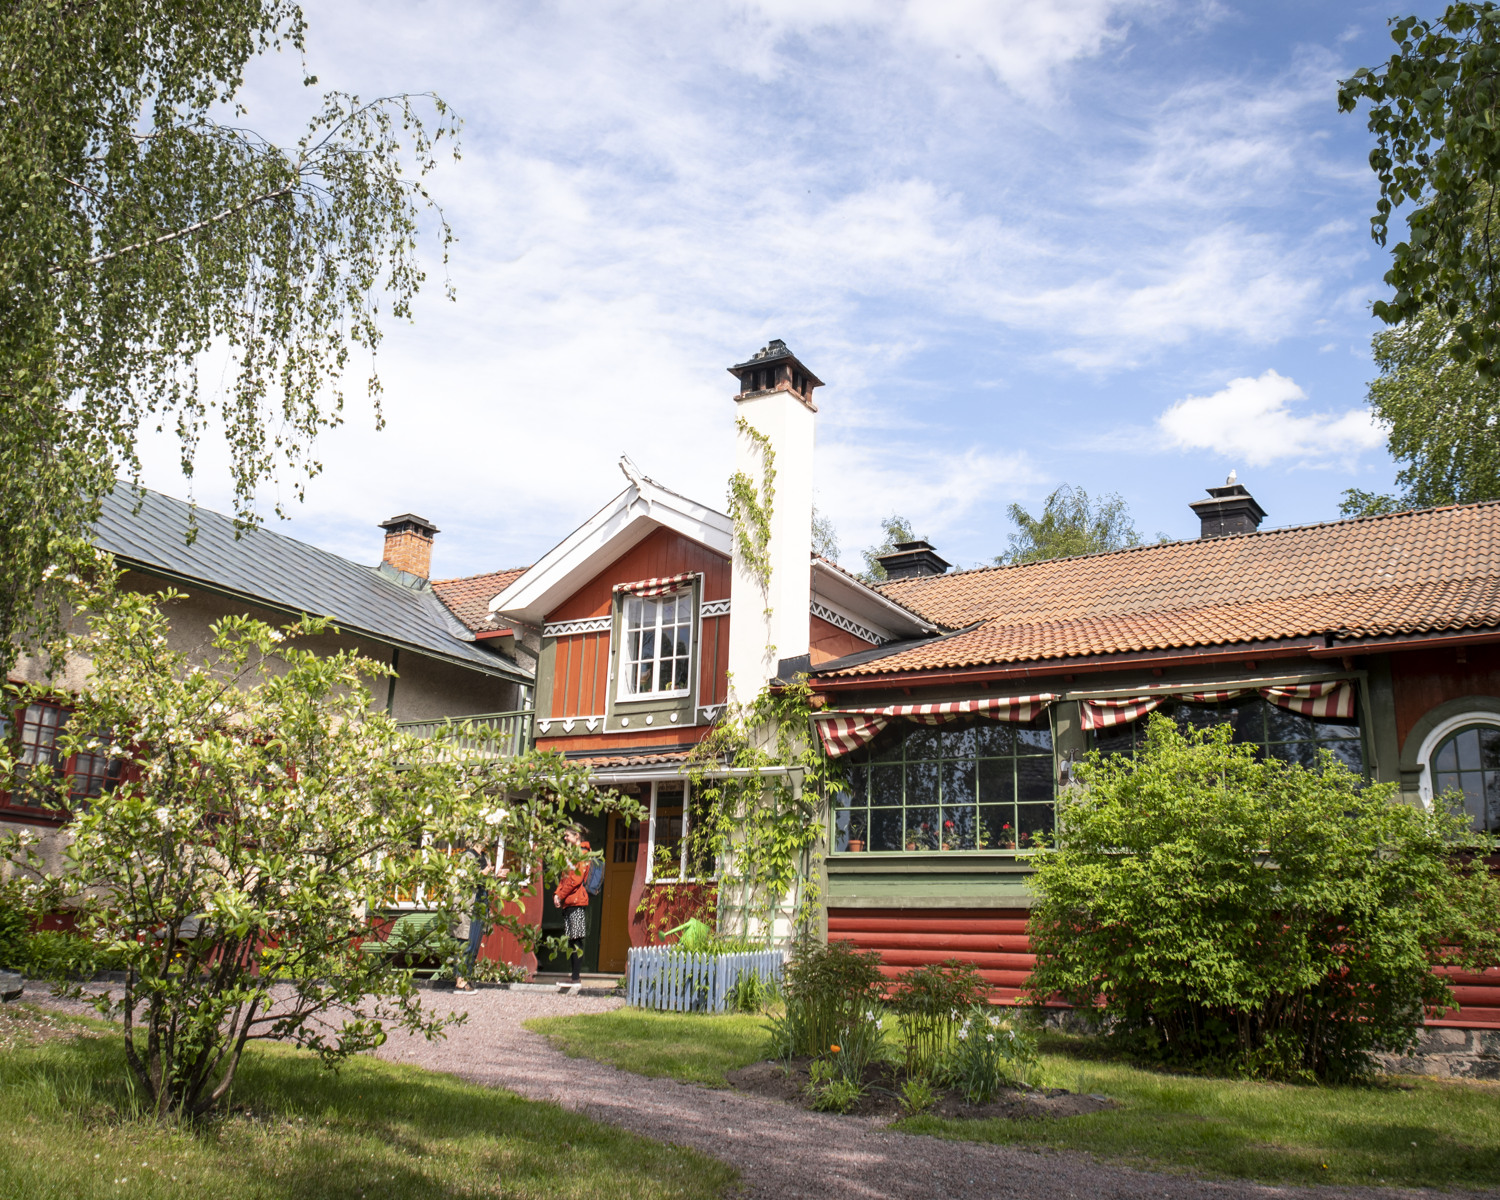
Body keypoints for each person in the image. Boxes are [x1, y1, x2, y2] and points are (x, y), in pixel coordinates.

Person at [453, 846, 497, 993]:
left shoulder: (485, 857)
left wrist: (496, 876)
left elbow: (486, 882)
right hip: (468, 904)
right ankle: (460, 982)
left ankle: (466, 978)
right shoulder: (467, 856)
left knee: (474, 942)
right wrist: (481, 874)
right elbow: (464, 879)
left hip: (480, 903)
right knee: (465, 942)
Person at [553, 826, 592, 986]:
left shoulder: (582, 854)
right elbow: (564, 877)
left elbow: (576, 879)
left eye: (567, 835)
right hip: (569, 902)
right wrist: (557, 894)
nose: (565, 838)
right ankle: (574, 977)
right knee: (572, 939)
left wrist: (560, 895)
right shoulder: (571, 854)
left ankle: (576, 978)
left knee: (576, 939)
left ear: (577, 836)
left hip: (577, 901)